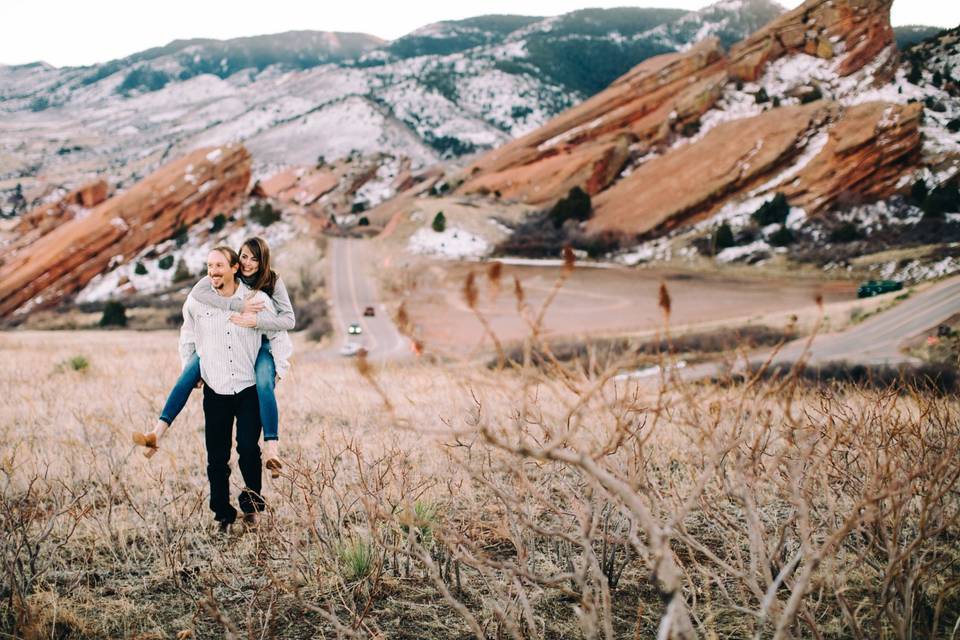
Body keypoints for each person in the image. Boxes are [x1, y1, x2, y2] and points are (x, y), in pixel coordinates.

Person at [133, 237, 294, 476]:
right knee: (186, 376)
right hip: (218, 349)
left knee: (263, 383)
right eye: (244, 256)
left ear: (262, 262)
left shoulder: (270, 284)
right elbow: (195, 306)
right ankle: (156, 432)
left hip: (260, 344)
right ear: (237, 261)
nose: (248, 262)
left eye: (255, 258)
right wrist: (236, 307)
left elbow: (286, 323)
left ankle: (272, 448)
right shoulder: (210, 283)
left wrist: (256, 323)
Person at [177, 246, 291, 530]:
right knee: (216, 456)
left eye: (219, 265)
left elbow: (279, 332)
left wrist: (279, 368)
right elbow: (188, 333)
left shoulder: (260, 297)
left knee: (249, 450)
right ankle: (222, 514)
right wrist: (190, 369)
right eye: (209, 266)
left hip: (248, 387)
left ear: (234, 268)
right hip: (215, 388)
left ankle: (252, 507)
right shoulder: (199, 300)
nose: (213, 271)